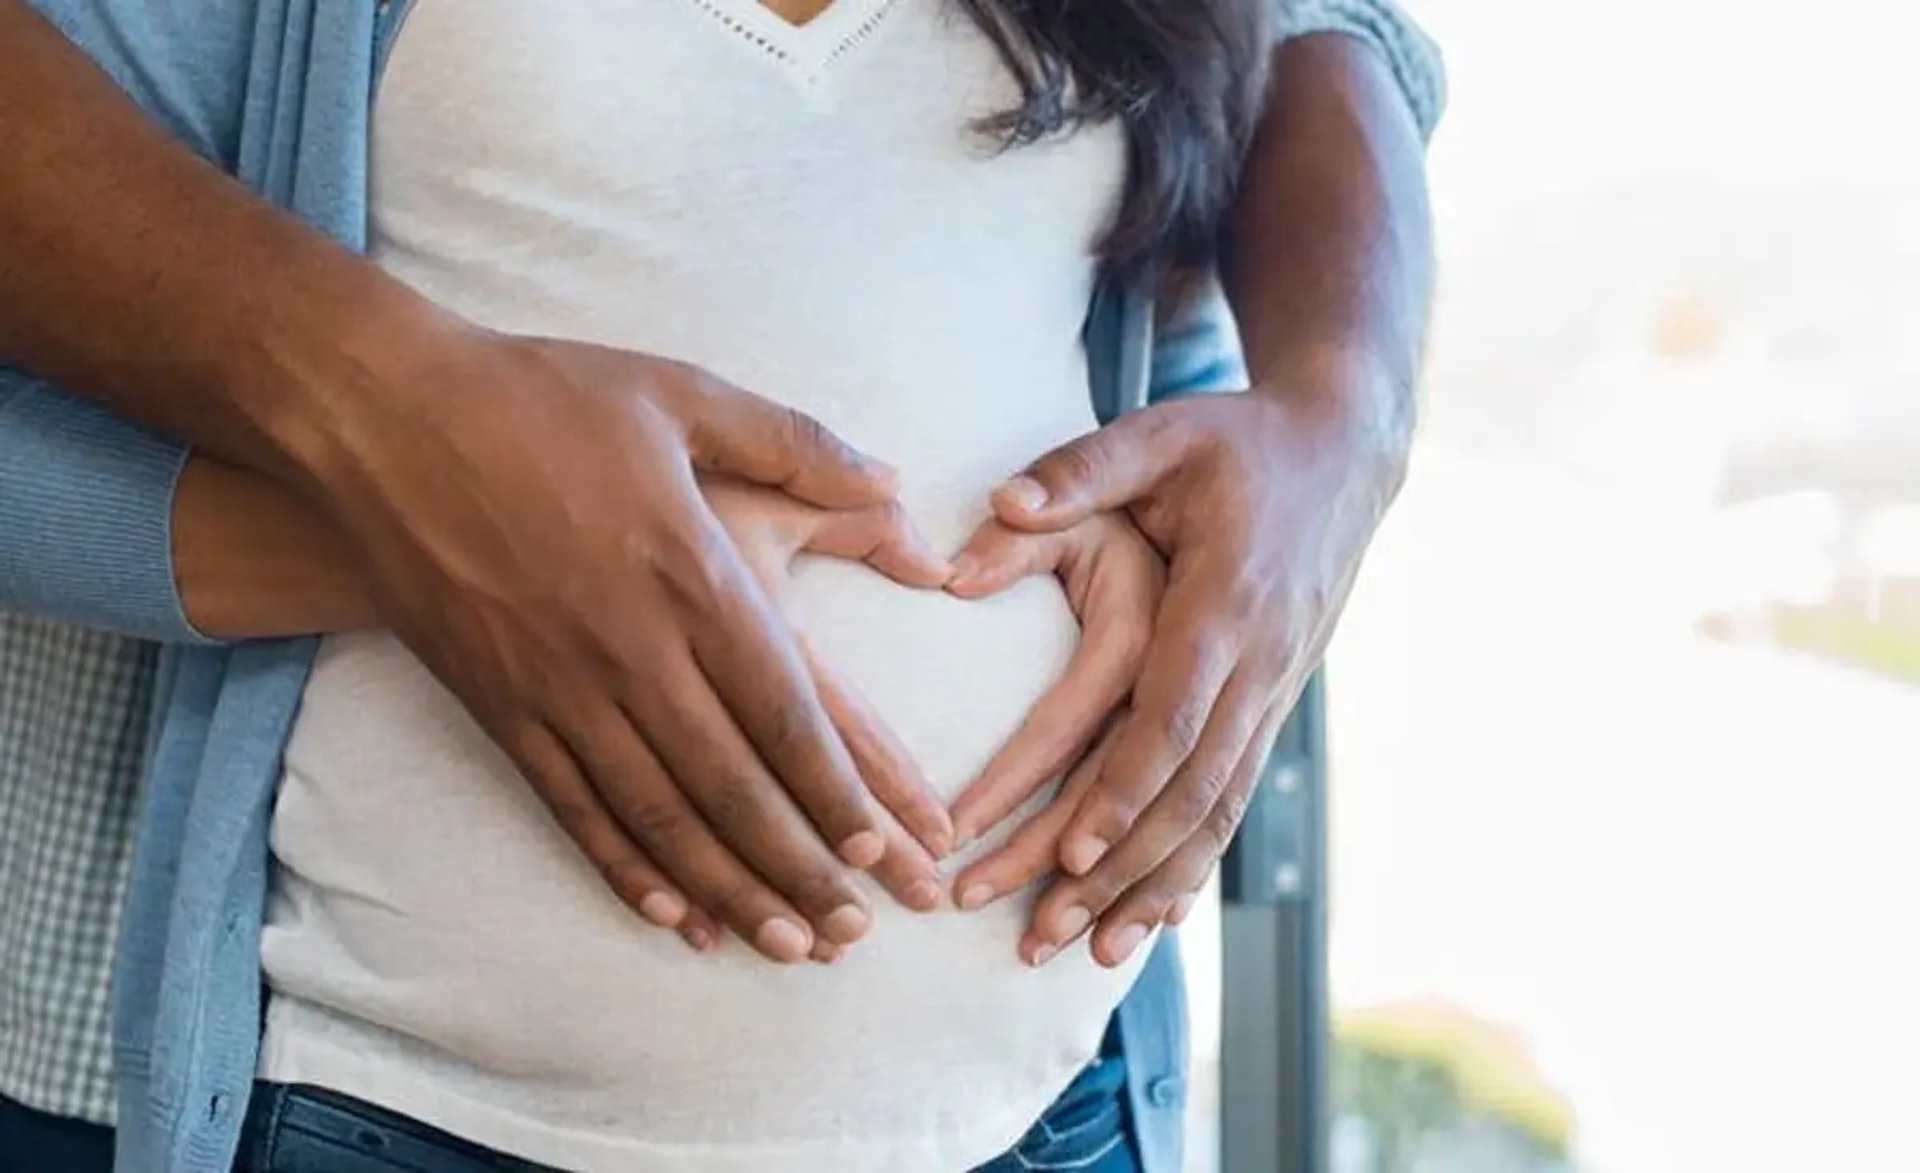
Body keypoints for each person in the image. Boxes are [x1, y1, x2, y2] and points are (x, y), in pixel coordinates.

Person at [0, 1, 1441, 1171]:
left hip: (1049, 1108)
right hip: (408, 1106)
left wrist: (1343, 425)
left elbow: (1333, 40)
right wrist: (421, 523)